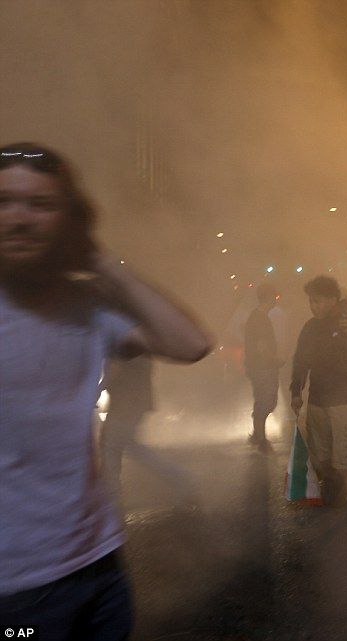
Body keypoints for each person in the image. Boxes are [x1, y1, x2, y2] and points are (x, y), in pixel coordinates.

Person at [0, 143, 211, 637]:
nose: (19, 218)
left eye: (41, 205)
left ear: (69, 220)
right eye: (3, 201)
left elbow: (190, 343)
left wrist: (99, 259)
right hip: (15, 584)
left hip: (97, 561)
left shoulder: (87, 304)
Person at [290, 276, 347, 523]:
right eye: (310, 301)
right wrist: (296, 391)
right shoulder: (310, 327)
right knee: (320, 453)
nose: (312, 306)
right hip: (318, 398)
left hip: (346, 399)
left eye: (316, 301)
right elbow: (301, 361)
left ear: (330, 300)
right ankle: (331, 484)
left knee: (346, 450)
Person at [100, 355, 194, 506]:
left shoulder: (124, 341)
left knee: (116, 447)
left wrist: (97, 390)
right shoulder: (139, 339)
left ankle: (182, 480)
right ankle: (110, 496)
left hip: (126, 402)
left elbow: (115, 369)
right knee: (119, 446)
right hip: (132, 400)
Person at [244, 283, 282, 452]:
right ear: (270, 297)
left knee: (262, 400)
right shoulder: (260, 318)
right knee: (267, 401)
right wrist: (276, 360)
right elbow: (261, 348)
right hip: (263, 368)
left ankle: (257, 435)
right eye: (275, 296)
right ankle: (261, 439)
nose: (276, 300)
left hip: (258, 367)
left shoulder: (257, 316)